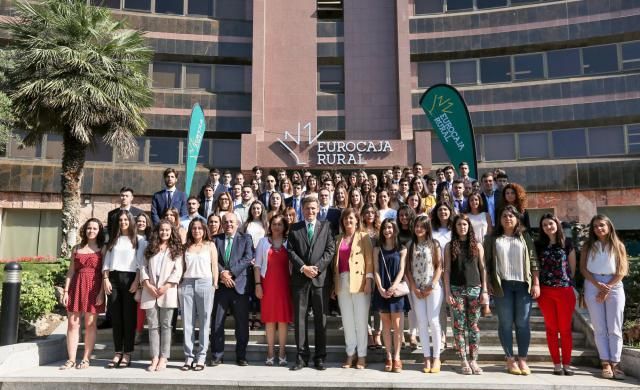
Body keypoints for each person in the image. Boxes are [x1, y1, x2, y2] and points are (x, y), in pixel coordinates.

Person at [484, 205, 540, 375]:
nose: (507, 218)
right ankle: (510, 359)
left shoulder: (525, 237)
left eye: (511, 216)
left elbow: (534, 261)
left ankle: (522, 359)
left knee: (523, 323)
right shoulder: (492, 239)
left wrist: (536, 283)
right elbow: (487, 264)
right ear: (500, 220)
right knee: (506, 324)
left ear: (517, 219)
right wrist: (488, 284)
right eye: (504, 216)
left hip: (523, 285)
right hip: (503, 285)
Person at [287, 196, 336, 371]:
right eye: (307, 208)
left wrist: (317, 268)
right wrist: (303, 268)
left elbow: (331, 249)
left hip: (320, 280)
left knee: (319, 320)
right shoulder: (294, 228)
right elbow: (290, 251)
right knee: (300, 321)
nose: (310, 212)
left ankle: (320, 358)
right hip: (300, 281)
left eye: (313, 208)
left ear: (318, 209)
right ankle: (301, 358)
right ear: (302, 209)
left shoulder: (326, 227)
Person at [580, 214, 629, 380]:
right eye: (595, 226)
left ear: (609, 226)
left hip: (614, 284)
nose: (598, 228)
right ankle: (605, 363)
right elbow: (583, 269)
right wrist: (597, 284)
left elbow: (622, 270)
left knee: (614, 327)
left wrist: (607, 287)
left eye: (601, 225)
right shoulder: (588, 246)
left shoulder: (618, 245)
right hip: (593, 283)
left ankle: (616, 362)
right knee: (599, 327)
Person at [444, 214, 488, 375]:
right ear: (455, 227)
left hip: (474, 289)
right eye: (459, 225)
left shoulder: (477, 245)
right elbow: (447, 270)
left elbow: (483, 268)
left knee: (474, 327)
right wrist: (447, 291)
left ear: (469, 226)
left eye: (464, 224)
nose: (462, 227)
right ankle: (463, 360)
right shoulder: (449, 246)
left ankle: (473, 360)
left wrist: (484, 290)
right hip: (456, 289)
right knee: (459, 326)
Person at [60, 218, 106, 370]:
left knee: (90, 324)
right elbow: (71, 271)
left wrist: (101, 293)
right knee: (73, 323)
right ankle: (71, 359)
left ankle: (86, 358)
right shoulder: (76, 248)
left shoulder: (102, 249)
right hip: (76, 287)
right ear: (84, 230)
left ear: (99, 231)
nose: (91, 231)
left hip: (94, 287)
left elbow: (104, 273)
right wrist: (66, 291)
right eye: (89, 228)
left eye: (94, 228)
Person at [102, 210, 146, 368]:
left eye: (125, 220)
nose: (122, 222)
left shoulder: (139, 240)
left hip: (130, 279)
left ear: (130, 221)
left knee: (129, 318)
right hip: (113, 279)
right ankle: (117, 352)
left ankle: (127, 353)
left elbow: (141, 263)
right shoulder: (113, 239)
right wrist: (105, 278)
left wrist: (137, 281)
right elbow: (107, 261)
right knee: (116, 318)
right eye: (120, 220)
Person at [210, 212, 255, 366]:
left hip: (239, 287)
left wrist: (231, 273)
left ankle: (241, 356)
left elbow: (248, 258)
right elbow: (212, 259)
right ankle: (217, 355)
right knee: (217, 323)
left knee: (242, 324)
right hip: (220, 288)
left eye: (231, 222)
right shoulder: (216, 240)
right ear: (222, 225)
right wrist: (222, 273)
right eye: (225, 222)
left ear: (237, 224)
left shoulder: (246, 238)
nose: (228, 224)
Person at [332, 208, 374, 370]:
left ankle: (362, 355)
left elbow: (370, 261)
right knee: (347, 321)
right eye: (345, 219)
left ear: (357, 220)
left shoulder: (364, 237)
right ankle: (351, 353)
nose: (348, 221)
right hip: (342, 281)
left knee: (361, 320)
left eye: (351, 218)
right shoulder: (337, 239)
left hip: (360, 281)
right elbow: (334, 266)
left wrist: (369, 281)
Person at [535, 213, 576, 376]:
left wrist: (571, 286)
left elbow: (572, 270)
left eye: (550, 224)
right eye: (544, 225)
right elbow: (535, 267)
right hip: (546, 292)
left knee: (565, 329)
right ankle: (556, 364)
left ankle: (567, 364)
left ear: (556, 224)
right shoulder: (539, 245)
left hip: (565, 291)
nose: (548, 227)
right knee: (551, 329)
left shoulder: (567, 243)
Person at [140, 219, 183, 372]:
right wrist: (147, 284)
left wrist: (166, 286)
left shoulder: (176, 249)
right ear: (157, 231)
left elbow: (178, 271)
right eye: (162, 230)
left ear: (172, 232)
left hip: (167, 291)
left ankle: (164, 357)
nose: (164, 232)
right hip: (149, 291)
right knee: (153, 326)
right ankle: (154, 357)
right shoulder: (150, 247)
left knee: (166, 326)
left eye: (167, 230)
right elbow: (143, 267)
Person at [254, 214, 293, 366]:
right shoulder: (263, 242)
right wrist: (258, 284)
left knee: (283, 320)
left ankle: (282, 351)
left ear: (284, 227)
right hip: (267, 284)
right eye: (274, 224)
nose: (277, 227)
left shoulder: (289, 242)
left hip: (285, 285)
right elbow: (257, 265)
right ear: (270, 226)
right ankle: (270, 351)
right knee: (270, 320)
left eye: (280, 224)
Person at [405, 216, 443, 374]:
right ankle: (426, 357)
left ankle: (436, 357)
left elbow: (439, 266)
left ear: (427, 228)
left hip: (432, 288)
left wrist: (431, 285)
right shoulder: (411, 245)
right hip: (417, 289)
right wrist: (414, 287)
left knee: (433, 321)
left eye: (422, 226)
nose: (419, 229)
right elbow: (407, 269)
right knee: (421, 322)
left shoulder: (434, 244)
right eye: (417, 226)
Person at [180, 219, 218, 371]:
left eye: (199, 228)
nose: (196, 231)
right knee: (187, 322)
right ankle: (189, 357)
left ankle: (201, 357)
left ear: (204, 230)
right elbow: (182, 266)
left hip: (205, 283)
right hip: (187, 284)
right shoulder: (186, 247)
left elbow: (214, 266)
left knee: (204, 321)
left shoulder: (210, 245)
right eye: (194, 228)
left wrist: (215, 284)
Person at [372, 218, 407, 373]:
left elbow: (402, 270)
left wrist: (394, 286)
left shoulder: (402, 248)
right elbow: (376, 270)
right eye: (385, 228)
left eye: (390, 228)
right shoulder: (377, 249)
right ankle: (388, 356)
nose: (387, 230)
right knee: (385, 325)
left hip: (396, 289)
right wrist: (379, 287)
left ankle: (397, 357)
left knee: (398, 326)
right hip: (382, 290)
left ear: (395, 230)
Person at [242, 200, 268, 330]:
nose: (256, 211)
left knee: (260, 289)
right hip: (249, 260)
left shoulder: (266, 224)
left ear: (262, 210)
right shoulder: (246, 224)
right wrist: (250, 257)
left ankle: (258, 317)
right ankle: (248, 317)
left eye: (258, 208)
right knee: (250, 289)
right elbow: (243, 243)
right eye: (254, 208)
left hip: (263, 260)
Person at [431, 202, 453, 350]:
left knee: (453, 306)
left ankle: (457, 337)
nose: (443, 212)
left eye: (445, 209)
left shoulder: (454, 229)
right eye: (440, 210)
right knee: (439, 308)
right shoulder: (432, 230)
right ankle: (442, 336)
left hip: (453, 272)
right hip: (436, 272)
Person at [134, 213, 152, 344]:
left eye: (143, 221)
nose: (141, 223)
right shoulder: (130, 238)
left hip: (143, 274)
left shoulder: (150, 239)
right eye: (139, 221)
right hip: (128, 273)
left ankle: (138, 332)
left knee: (140, 305)